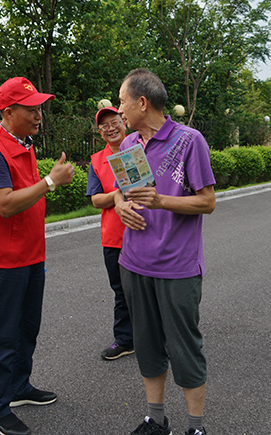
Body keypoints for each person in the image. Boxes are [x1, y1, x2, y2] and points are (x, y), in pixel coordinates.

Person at [112, 68, 216, 435]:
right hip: (134, 263)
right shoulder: (129, 143)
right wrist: (119, 205)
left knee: (185, 347)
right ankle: (156, 420)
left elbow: (207, 202)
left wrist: (161, 201)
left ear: (142, 102)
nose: (118, 109)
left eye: (122, 101)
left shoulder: (189, 141)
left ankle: (195, 428)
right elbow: (121, 191)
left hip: (177, 267)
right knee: (146, 345)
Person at [0, 77, 75, 435]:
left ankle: (17, 387)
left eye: (39, 108)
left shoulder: (24, 144)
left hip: (31, 254)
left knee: (27, 328)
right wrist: (50, 182)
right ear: (7, 112)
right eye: (30, 109)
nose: (38, 115)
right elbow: (4, 205)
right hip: (4, 259)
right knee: (2, 335)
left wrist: (47, 183)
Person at [86, 106, 135, 361]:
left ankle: (161, 338)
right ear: (99, 132)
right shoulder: (97, 161)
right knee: (121, 291)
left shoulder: (140, 150)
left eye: (114, 122)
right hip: (114, 238)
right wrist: (117, 194)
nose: (110, 129)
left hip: (144, 232)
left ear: (124, 123)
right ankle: (125, 340)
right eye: (104, 126)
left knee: (151, 289)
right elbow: (95, 200)